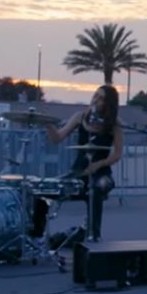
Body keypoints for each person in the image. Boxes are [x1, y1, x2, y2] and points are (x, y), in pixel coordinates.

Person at [44, 85, 123, 242]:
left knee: (98, 186)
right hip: (78, 171)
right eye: (95, 95)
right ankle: (39, 236)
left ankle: (94, 235)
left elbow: (117, 154)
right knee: (44, 188)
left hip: (102, 172)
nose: (96, 100)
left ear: (109, 104)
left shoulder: (114, 123)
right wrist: (47, 123)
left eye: (101, 98)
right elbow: (57, 138)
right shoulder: (79, 117)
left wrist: (99, 164)